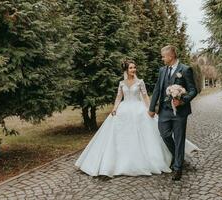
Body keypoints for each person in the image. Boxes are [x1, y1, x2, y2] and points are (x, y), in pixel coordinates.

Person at [75, 59, 199, 177]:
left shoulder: (140, 82)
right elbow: (119, 97)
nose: (133, 69)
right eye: (131, 68)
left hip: (138, 109)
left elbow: (145, 97)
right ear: (126, 70)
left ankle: (171, 158)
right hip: (124, 109)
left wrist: (150, 109)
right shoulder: (121, 83)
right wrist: (115, 108)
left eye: (134, 67)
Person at [148, 45, 198, 181]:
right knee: (164, 134)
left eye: (163, 56)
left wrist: (182, 101)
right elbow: (158, 89)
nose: (162, 58)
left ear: (171, 56)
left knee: (179, 139)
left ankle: (177, 168)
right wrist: (152, 108)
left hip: (180, 112)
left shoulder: (185, 69)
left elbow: (193, 90)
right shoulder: (162, 70)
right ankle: (178, 157)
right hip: (164, 110)